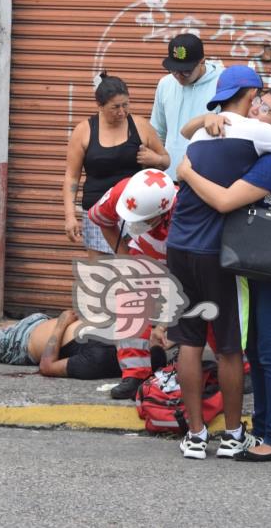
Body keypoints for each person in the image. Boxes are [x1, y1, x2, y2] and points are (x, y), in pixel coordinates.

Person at [165, 65, 271, 460]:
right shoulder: (243, 134)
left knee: (258, 348)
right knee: (246, 348)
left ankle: (266, 435)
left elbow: (223, 196)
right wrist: (208, 118)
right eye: (258, 103)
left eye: (266, 110)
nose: (257, 111)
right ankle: (243, 433)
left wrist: (185, 168)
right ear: (248, 94)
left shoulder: (256, 147)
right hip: (242, 257)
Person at [87, 168, 177, 397]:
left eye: (143, 219)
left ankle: (240, 367)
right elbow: (102, 219)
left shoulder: (185, 211)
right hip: (144, 251)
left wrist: (163, 324)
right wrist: (126, 258)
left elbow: (185, 276)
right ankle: (135, 375)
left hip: (185, 256)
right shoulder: (122, 192)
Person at [63, 73, 169, 260]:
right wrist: (70, 216)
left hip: (136, 210)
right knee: (102, 276)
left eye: (125, 105)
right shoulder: (84, 131)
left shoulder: (140, 126)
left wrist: (156, 160)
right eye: (115, 107)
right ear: (100, 106)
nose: (122, 112)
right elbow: (72, 177)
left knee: (137, 269)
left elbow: (166, 160)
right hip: (97, 213)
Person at [150, 33, 223, 177]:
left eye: (186, 71)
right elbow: (158, 132)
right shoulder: (165, 83)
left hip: (207, 178)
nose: (178, 75)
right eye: (174, 70)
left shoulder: (222, 82)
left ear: (202, 61)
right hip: (169, 176)